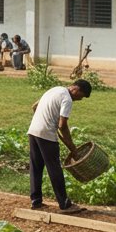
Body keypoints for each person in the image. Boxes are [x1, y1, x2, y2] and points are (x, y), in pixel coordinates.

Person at [28, 79, 92, 213]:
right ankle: (65, 204)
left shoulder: (55, 89)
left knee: (36, 167)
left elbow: (34, 106)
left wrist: (43, 120)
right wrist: (73, 148)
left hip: (33, 131)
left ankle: (36, 201)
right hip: (46, 136)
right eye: (80, 96)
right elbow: (62, 125)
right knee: (54, 168)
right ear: (76, 89)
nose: (79, 100)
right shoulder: (67, 99)